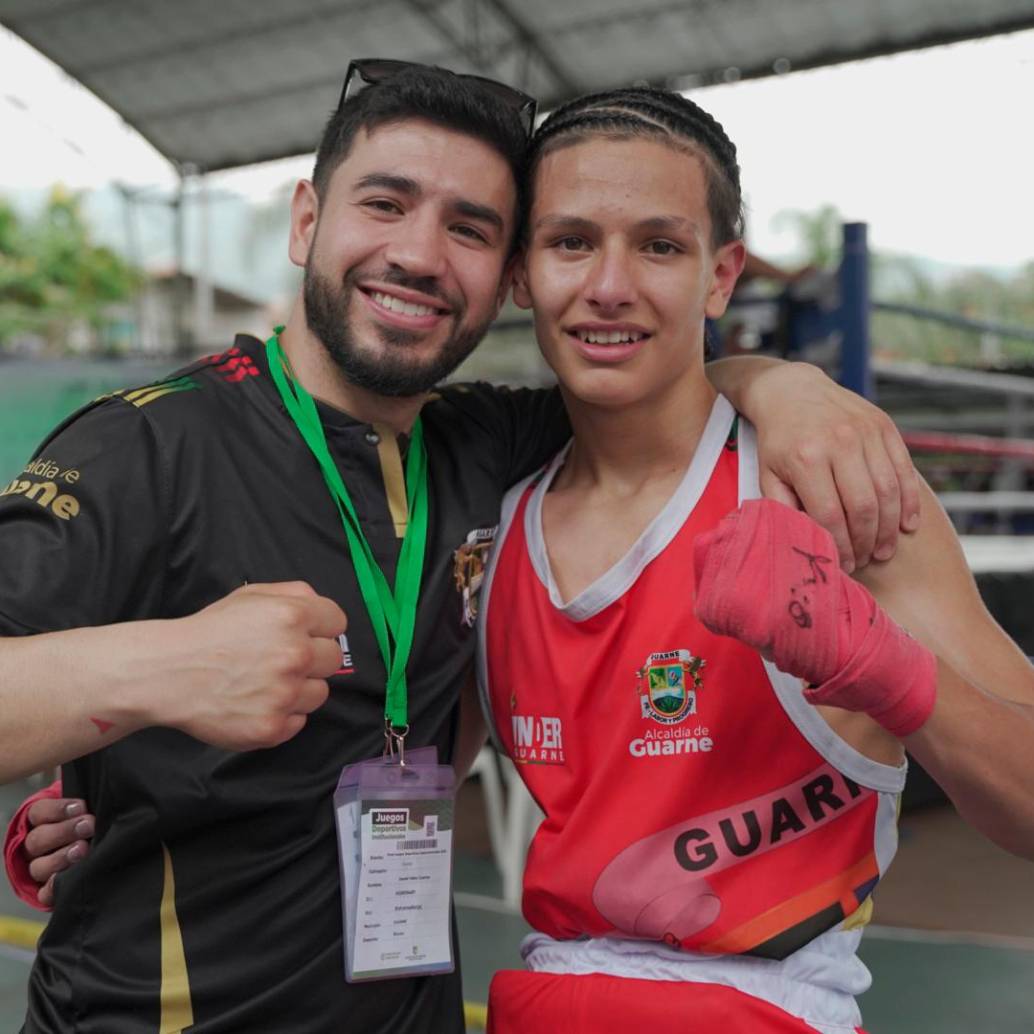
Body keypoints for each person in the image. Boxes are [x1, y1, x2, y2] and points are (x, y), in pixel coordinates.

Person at [1, 64, 920, 1032]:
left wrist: (785, 386)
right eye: (385, 203)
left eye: (469, 227)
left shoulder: (489, 445)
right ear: (307, 219)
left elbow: (650, 370)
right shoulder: (145, 446)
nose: (419, 255)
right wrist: (151, 668)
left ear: (509, 274)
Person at [475, 87, 1034, 1032]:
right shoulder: (493, 520)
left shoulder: (830, 488)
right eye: (572, 241)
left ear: (721, 274)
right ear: (523, 272)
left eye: (659, 245)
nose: (610, 285)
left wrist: (890, 670)